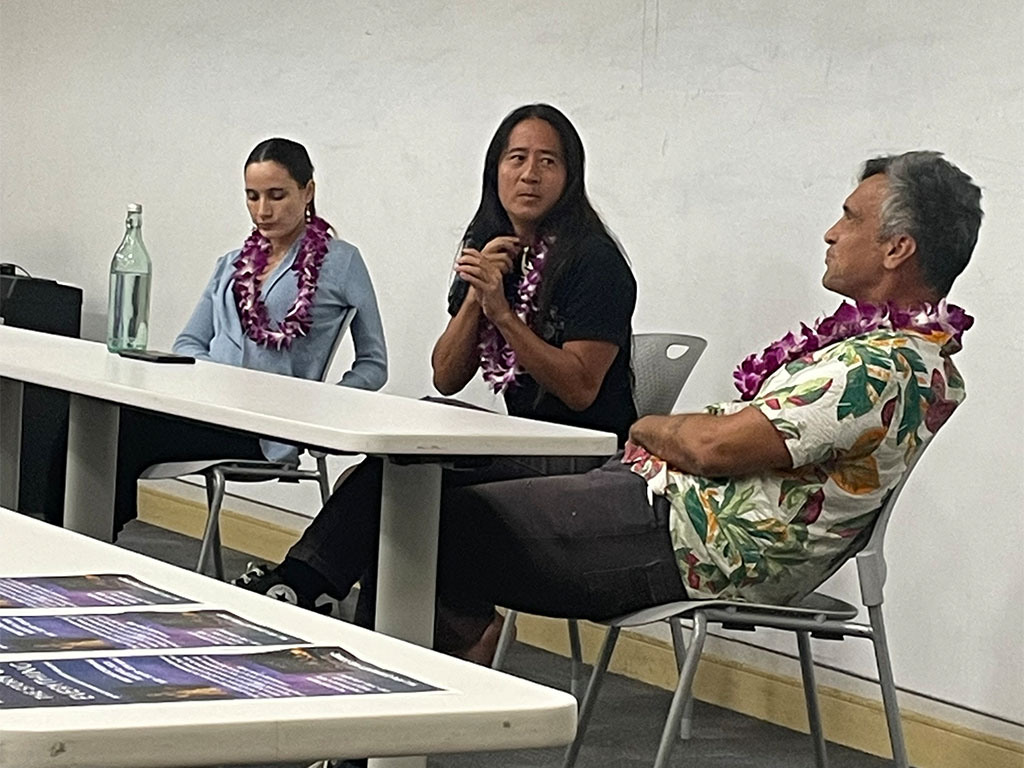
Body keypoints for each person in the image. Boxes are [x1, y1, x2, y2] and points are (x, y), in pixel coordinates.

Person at [431, 150, 981, 662]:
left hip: (694, 543)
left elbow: (714, 448)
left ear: (896, 248)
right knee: (407, 496)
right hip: (667, 511)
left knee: (420, 522)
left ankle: (402, 705)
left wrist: (648, 427)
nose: (831, 233)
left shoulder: (882, 365)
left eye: (849, 218)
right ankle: (424, 677)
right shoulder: (884, 351)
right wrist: (673, 437)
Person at [235, 104, 638, 639]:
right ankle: (376, 628)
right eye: (516, 158)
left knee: (406, 487)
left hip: (586, 452)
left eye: (548, 162)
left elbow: (582, 389)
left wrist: (504, 316)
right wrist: (479, 297)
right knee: (401, 464)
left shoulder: (594, 261)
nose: (530, 174)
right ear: (495, 169)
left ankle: (312, 589)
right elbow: (447, 376)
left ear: (570, 177)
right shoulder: (489, 244)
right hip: (520, 438)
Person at [113, 138, 388, 536]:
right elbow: (188, 342)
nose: (263, 210)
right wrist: (216, 379)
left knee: (121, 431)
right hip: (205, 409)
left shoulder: (341, 262)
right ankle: (74, 534)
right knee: (97, 420)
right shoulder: (231, 264)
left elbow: (374, 364)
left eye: (277, 195)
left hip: (266, 430)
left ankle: (94, 537)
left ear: (308, 192)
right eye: (252, 196)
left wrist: (322, 407)